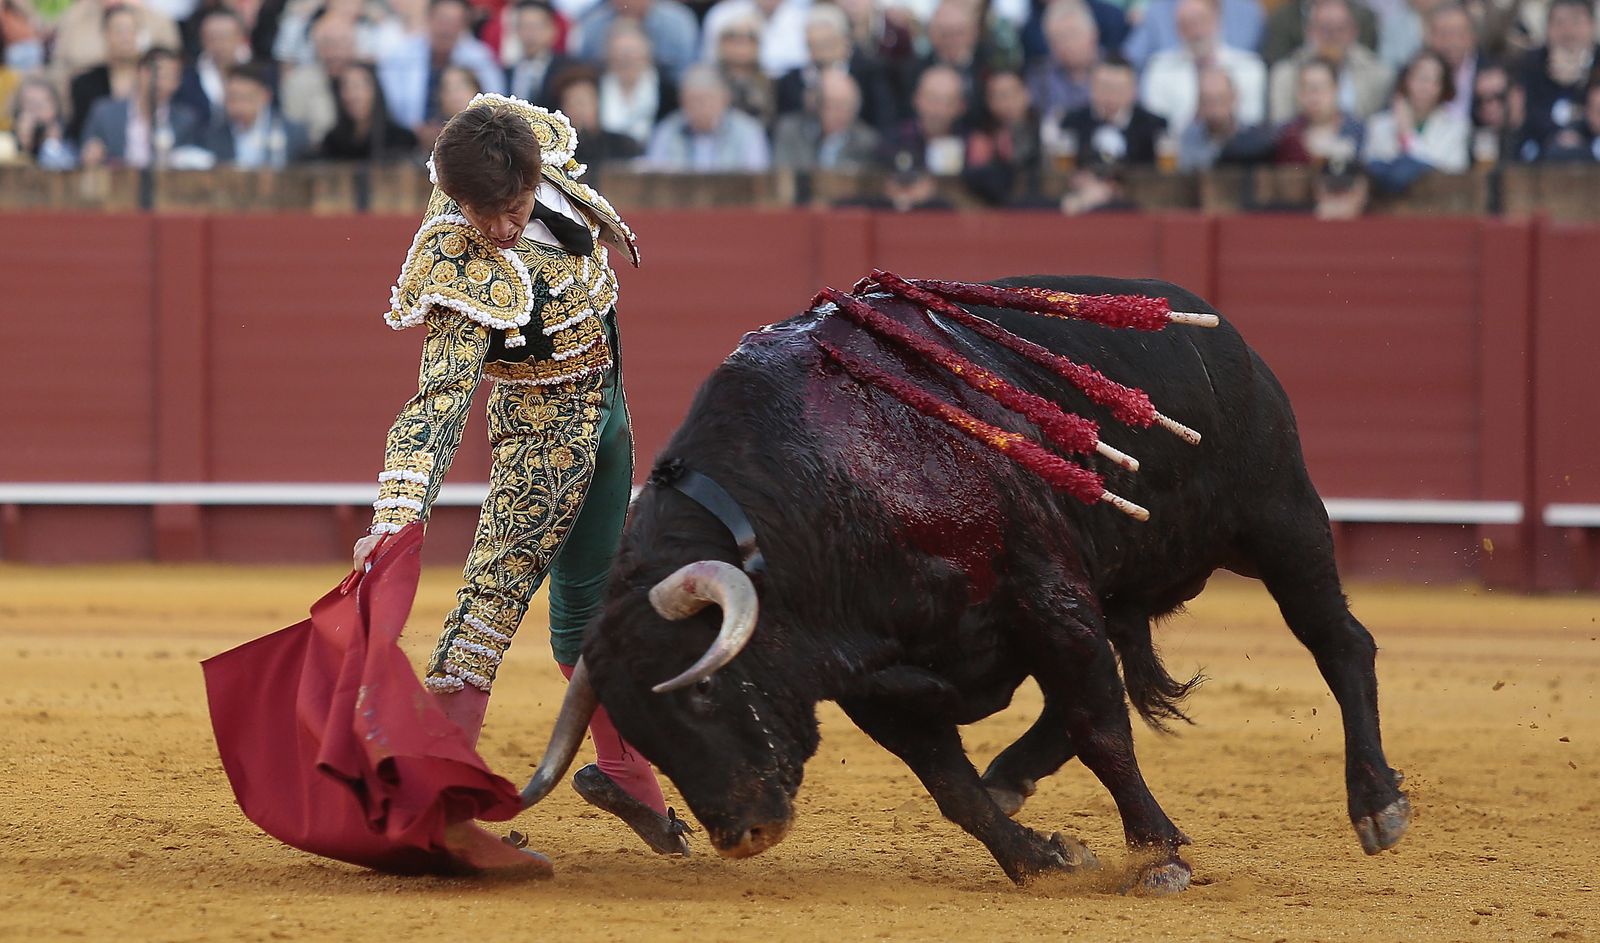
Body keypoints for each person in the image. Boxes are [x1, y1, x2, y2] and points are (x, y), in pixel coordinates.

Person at [353, 92, 689, 855]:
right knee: (486, 611)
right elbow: (437, 403)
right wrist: (395, 516)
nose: (501, 227)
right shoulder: (455, 262)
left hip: (609, 412)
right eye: (485, 213)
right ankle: (437, 813)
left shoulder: (524, 142)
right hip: (539, 437)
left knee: (592, 610)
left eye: (514, 207)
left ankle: (625, 777)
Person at [1139, 0, 1266, 129]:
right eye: (1187, 25)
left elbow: (1252, 125)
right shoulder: (1160, 69)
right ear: (1177, 30)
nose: (1196, 32)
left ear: (1217, 20)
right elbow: (1157, 128)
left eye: (1201, 21)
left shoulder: (1249, 67)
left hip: (1238, 147)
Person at [1266, 0, 1392, 123]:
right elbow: (1280, 129)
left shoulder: (1378, 75)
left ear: (1353, 32)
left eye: (1340, 29)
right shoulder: (1285, 74)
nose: (1333, 37)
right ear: (1310, 32)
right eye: (1325, 29)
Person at [80, 46, 203, 168]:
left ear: (177, 83)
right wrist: (92, 155)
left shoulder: (186, 120)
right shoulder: (104, 113)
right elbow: (86, 156)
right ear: (139, 72)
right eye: (155, 74)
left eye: (167, 76)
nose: (158, 82)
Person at [1363, 49, 1469, 189]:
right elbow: (1373, 172)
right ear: (1406, 80)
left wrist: (1407, 135)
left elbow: (1452, 173)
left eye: (1434, 81)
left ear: (1443, 88)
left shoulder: (1456, 127)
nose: (1425, 87)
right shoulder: (1378, 124)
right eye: (1421, 78)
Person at [641, 62, 770, 170]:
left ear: (725, 99)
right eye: (693, 100)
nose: (700, 107)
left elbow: (756, 180)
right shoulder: (667, 131)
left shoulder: (748, 132)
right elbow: (655, 177)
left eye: (707, 100)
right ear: (681, 101)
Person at [1514, 0, 1597, 161]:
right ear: (1547, 29)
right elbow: (1524, 115)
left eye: (1576, 22)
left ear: (1592, 26)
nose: (1568, 32)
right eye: (1559, 23)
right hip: (1542, 154)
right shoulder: (1530, 64)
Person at [201, 61, 312, 168]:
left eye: (245, 98)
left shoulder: (293, 133)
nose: (238, 106)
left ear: (265, 96)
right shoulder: (213, 135)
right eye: (232, 98)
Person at [1059, 55, 1167, 165]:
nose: (1110, 96)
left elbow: (1163, 176)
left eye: (1118, 89)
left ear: (1134, 91)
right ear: (1091, 88)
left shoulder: (1154, 127)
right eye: (1104, 87)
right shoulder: (1072, 123)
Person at [772, 66, 881, 171]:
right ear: (816, 105)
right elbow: (783, 174)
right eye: (832, 105)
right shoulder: (791, 131)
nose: (840, 113)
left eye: (847, 106)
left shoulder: (867, 142)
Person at [597, 22, 678, 148]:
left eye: (632, 54)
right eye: (620, 54)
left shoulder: (668, 91)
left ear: (647, 55)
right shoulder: (594, 88)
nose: (626, 61)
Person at [1176, 66, 1274, 170]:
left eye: (1220, 99)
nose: (1214, 109)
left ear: (1233, 97)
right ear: (1199, 102)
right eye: (1207, 100)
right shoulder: (1187, 139)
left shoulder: (1255, 140)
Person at [1273, 55, 1365, 164]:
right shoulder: (1284, 134)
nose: (1313, 98)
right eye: (1306, 88)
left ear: (1336, 90)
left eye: (1320, 88)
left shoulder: (1359, 132)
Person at [319, 61, 420, 160]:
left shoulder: (401, 140)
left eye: (358, 87)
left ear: (375, 90)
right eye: (346, 87)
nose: (352, 95)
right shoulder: (332, 143)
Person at [504, 0, 571, 107]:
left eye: (536, 26)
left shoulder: (567, 71)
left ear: (552, 30)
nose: (530, 34)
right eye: (524, 26)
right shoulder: (507, 73)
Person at [10, 73, 77, 168]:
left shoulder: (69, 134)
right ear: (19, 108)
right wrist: (23, 144)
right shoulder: (9, 140)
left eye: (42, 104)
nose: (36, 111)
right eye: (30, 104)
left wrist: (53, 145)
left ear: (55, 107)